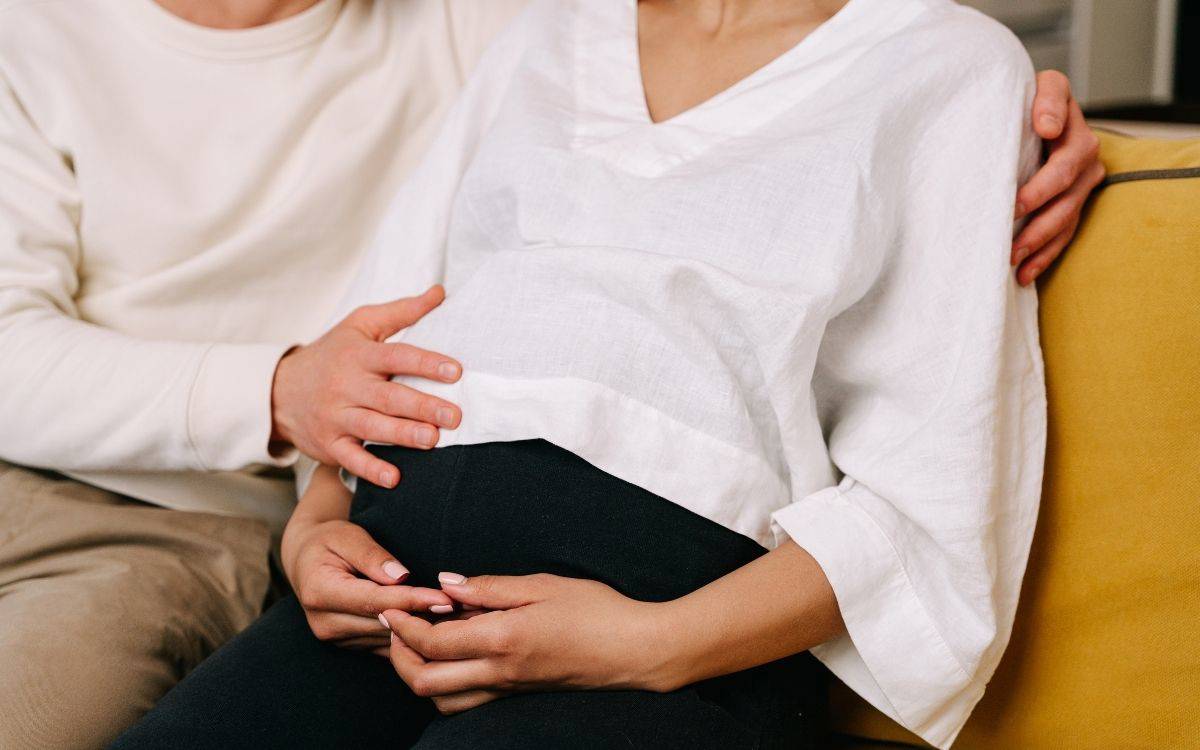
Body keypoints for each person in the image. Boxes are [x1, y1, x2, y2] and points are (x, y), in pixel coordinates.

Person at [113, 0, 1073, 748]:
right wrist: (313, 536)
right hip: (383, 617)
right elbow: (377, 351)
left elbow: (926, 497)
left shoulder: (948, 65)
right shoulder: (544, 33)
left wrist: (649, 646)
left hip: (668, 649)